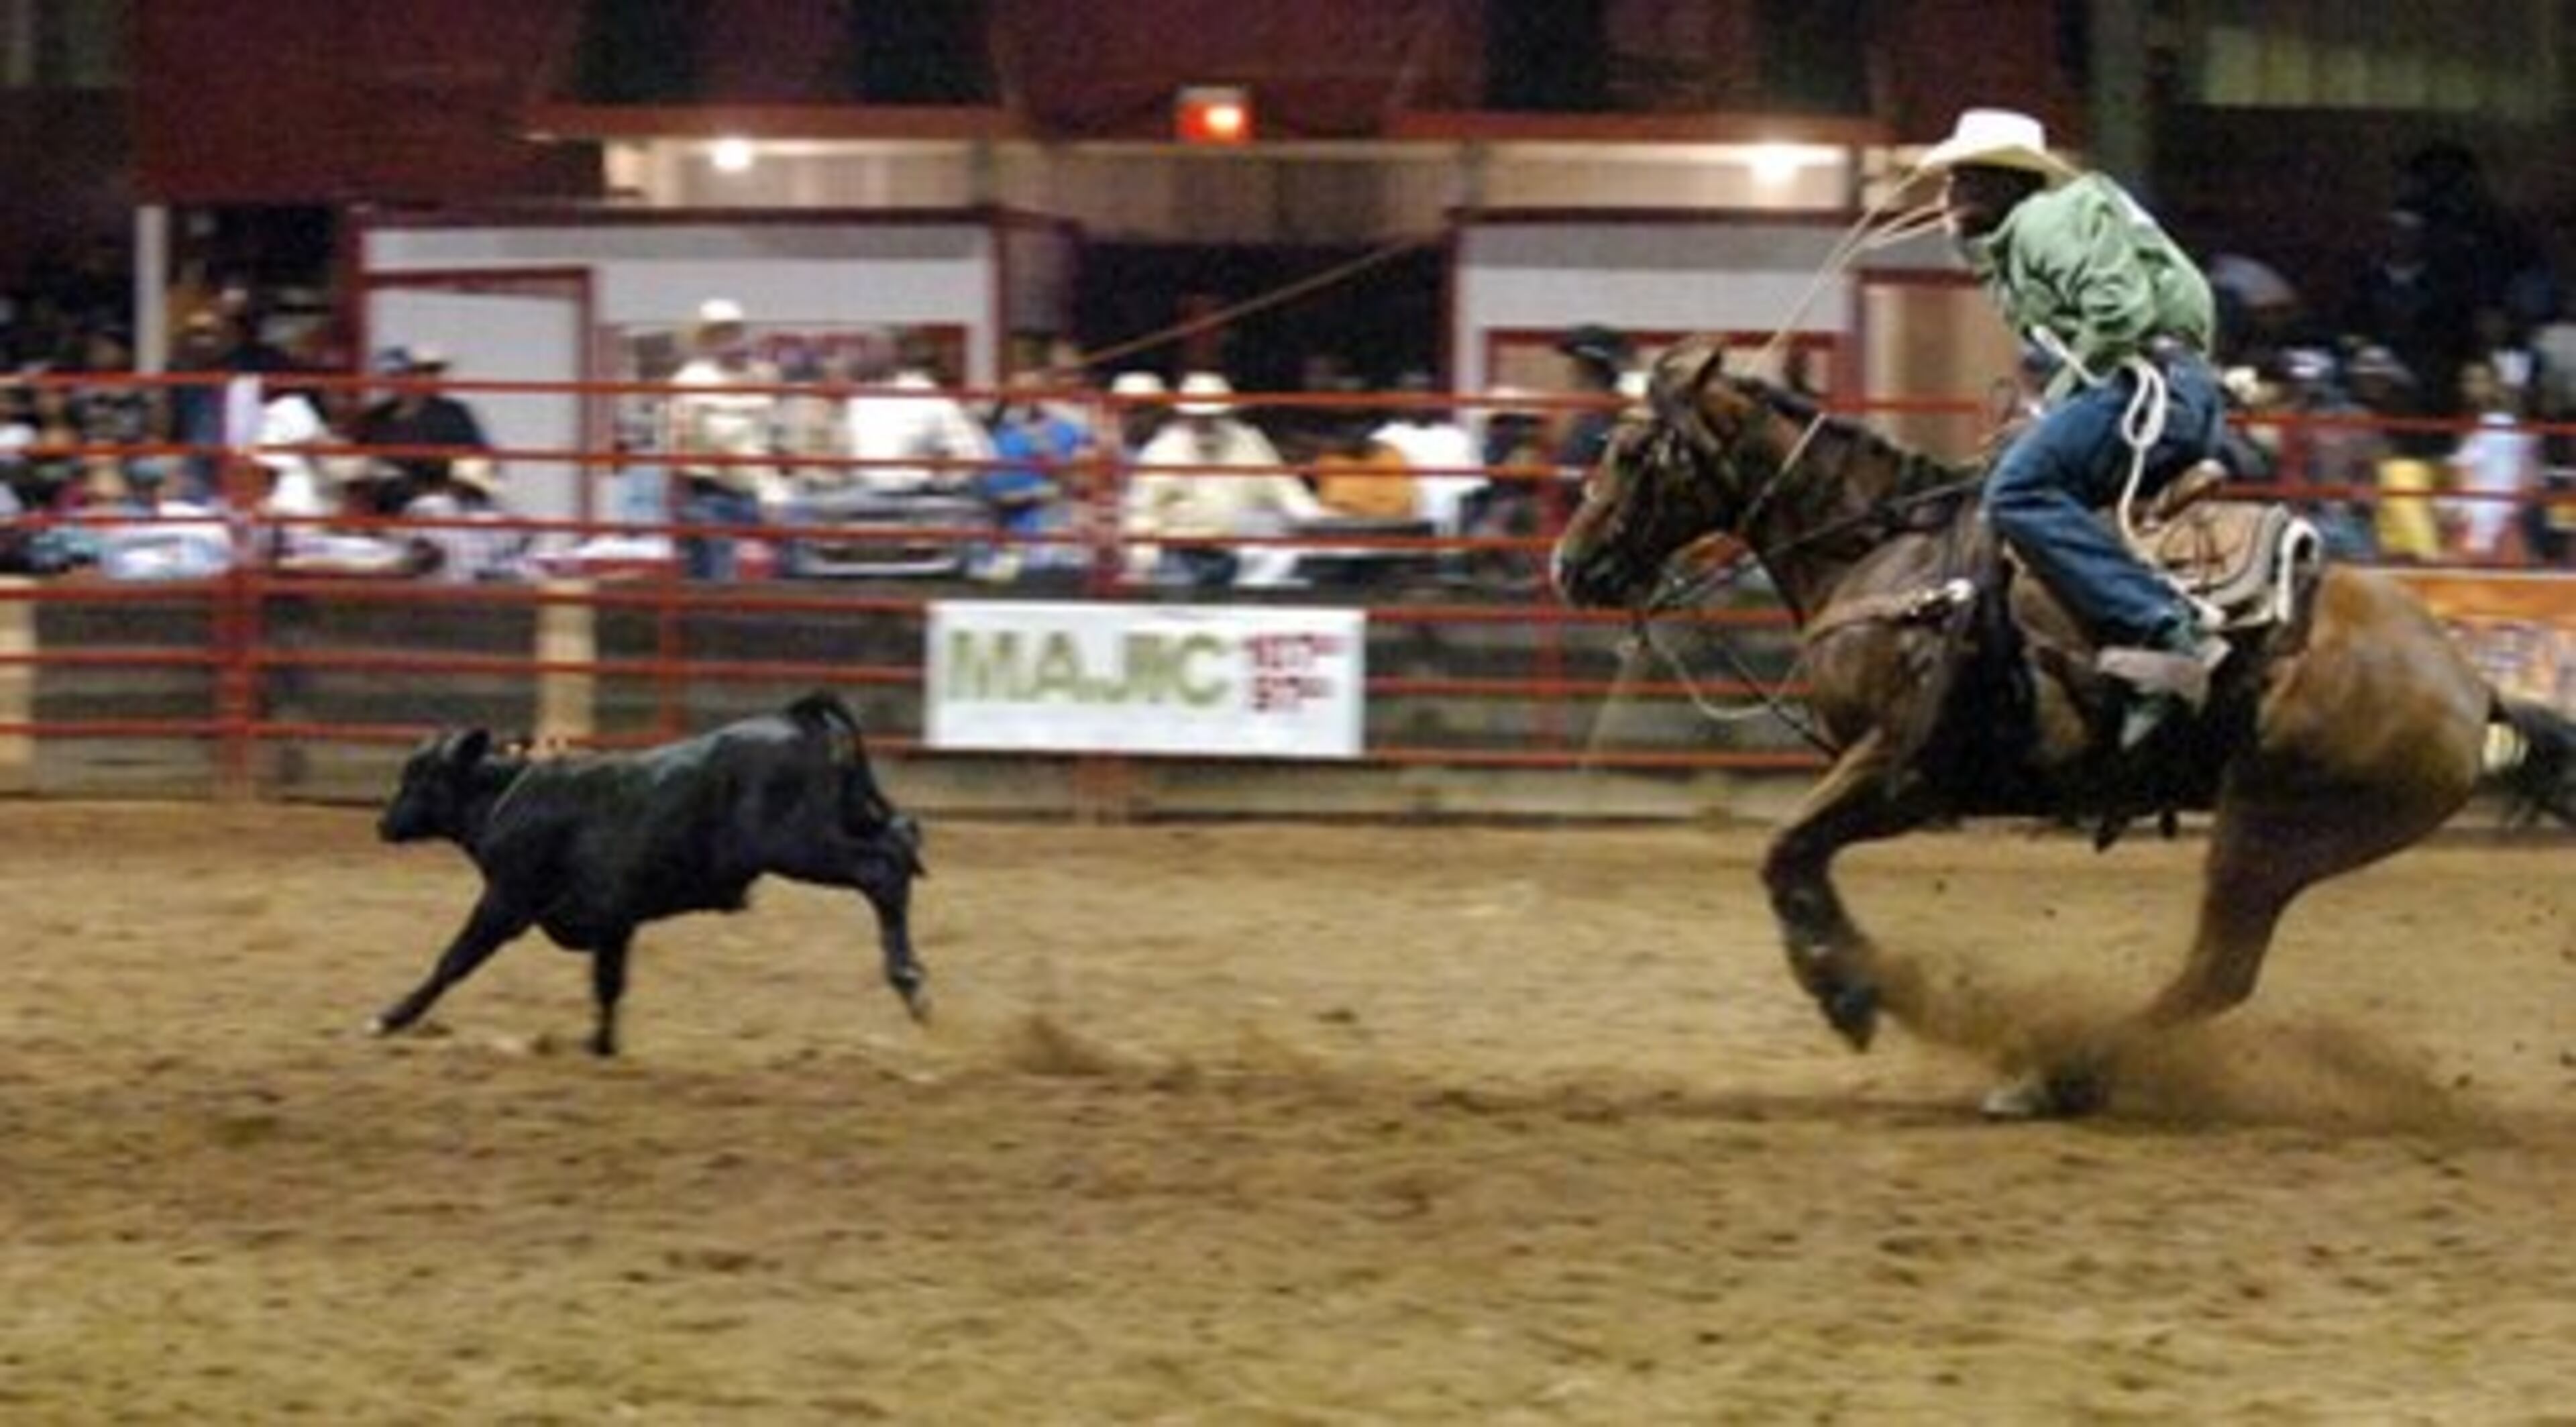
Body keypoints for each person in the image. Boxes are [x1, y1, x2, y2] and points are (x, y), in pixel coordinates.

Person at [1915, 107, 2231, 751]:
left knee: (2016, 492)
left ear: (2007, 183)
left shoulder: (2044, 221)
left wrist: (2052, 407)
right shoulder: (2023, 241)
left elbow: (2120, 312)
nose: (1948, 193)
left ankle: (2164, 628)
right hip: (2163, 386)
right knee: (2006, 493)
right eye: (1951, 180)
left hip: (2152, 387)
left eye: (1965, 178)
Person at [1122, 372, 1325, 587]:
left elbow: (1284, 490)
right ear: (1184, 415)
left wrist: (1319, 523)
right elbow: (1143, 511)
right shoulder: (1162, 451)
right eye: (1198, 416)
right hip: (1181, 553)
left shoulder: (1249, 443)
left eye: (1211, 416)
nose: (1204, 422)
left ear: (1226, 414)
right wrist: (1142, 557)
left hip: (1239, 553)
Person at [665, 298, 780, 580]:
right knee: (715, 564)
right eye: (719, 333)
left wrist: (772, 492)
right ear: (706, 340)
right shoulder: (691, 381)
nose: (730, 340)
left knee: (796, 539)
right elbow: (679, 437)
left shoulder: (759, 379)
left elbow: (762, 440)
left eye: (733, 331)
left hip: (752, 487)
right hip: (708, 489)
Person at [350, 345, 492, 515]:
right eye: (393, 376)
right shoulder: (375, 420)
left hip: (447, 506)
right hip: (393, 510)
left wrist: (453, 493)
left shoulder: (453, 415)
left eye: (407, 375)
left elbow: (476, 461)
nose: (400, 382)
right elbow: (362, 468)